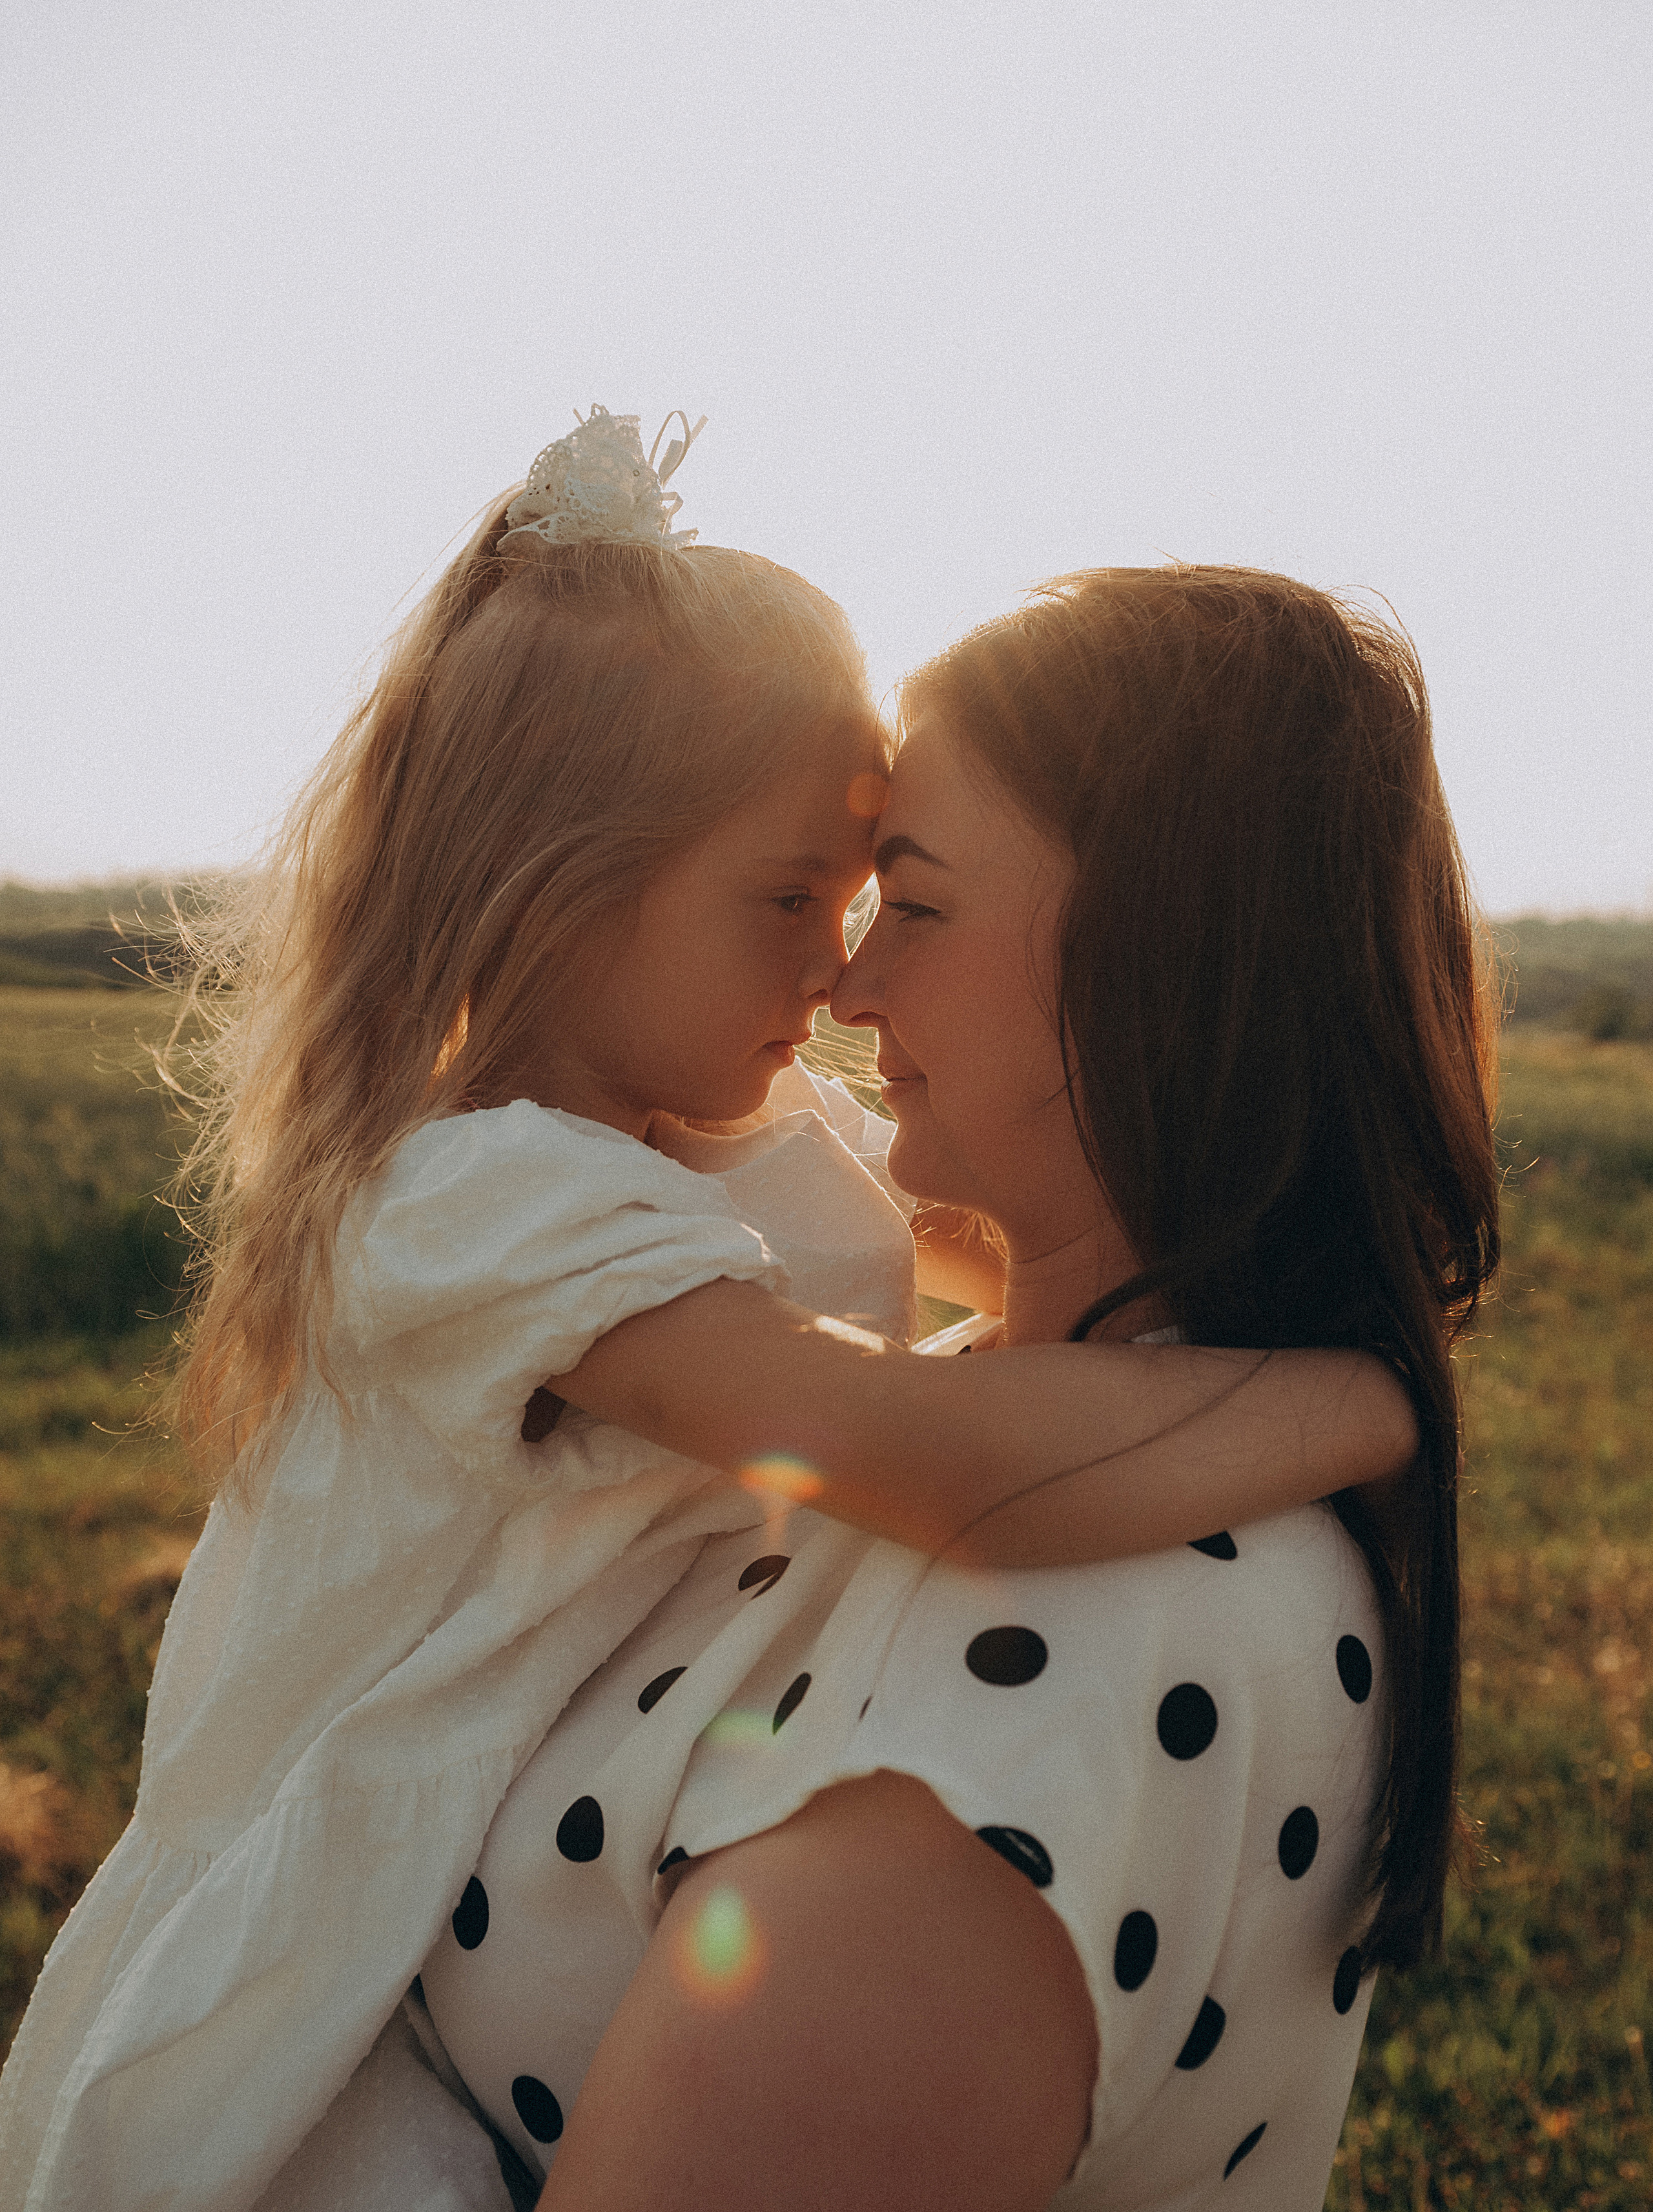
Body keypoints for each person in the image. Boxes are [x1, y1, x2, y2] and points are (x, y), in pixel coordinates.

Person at [0, 411, 1417, 2212]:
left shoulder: (740, 1144)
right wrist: (1354, 1396)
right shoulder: (485, 1201)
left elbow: (1003, 1294)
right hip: (318, 1988)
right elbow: (925, 1448)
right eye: (796, 899)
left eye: (890, 896)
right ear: (563, 893)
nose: (841, 969)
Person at [411, 566, 1499, 2211]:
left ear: (1162, 958)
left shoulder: (1057, 1662)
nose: (844, 992)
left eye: (909, 905)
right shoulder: (1044, 1428)